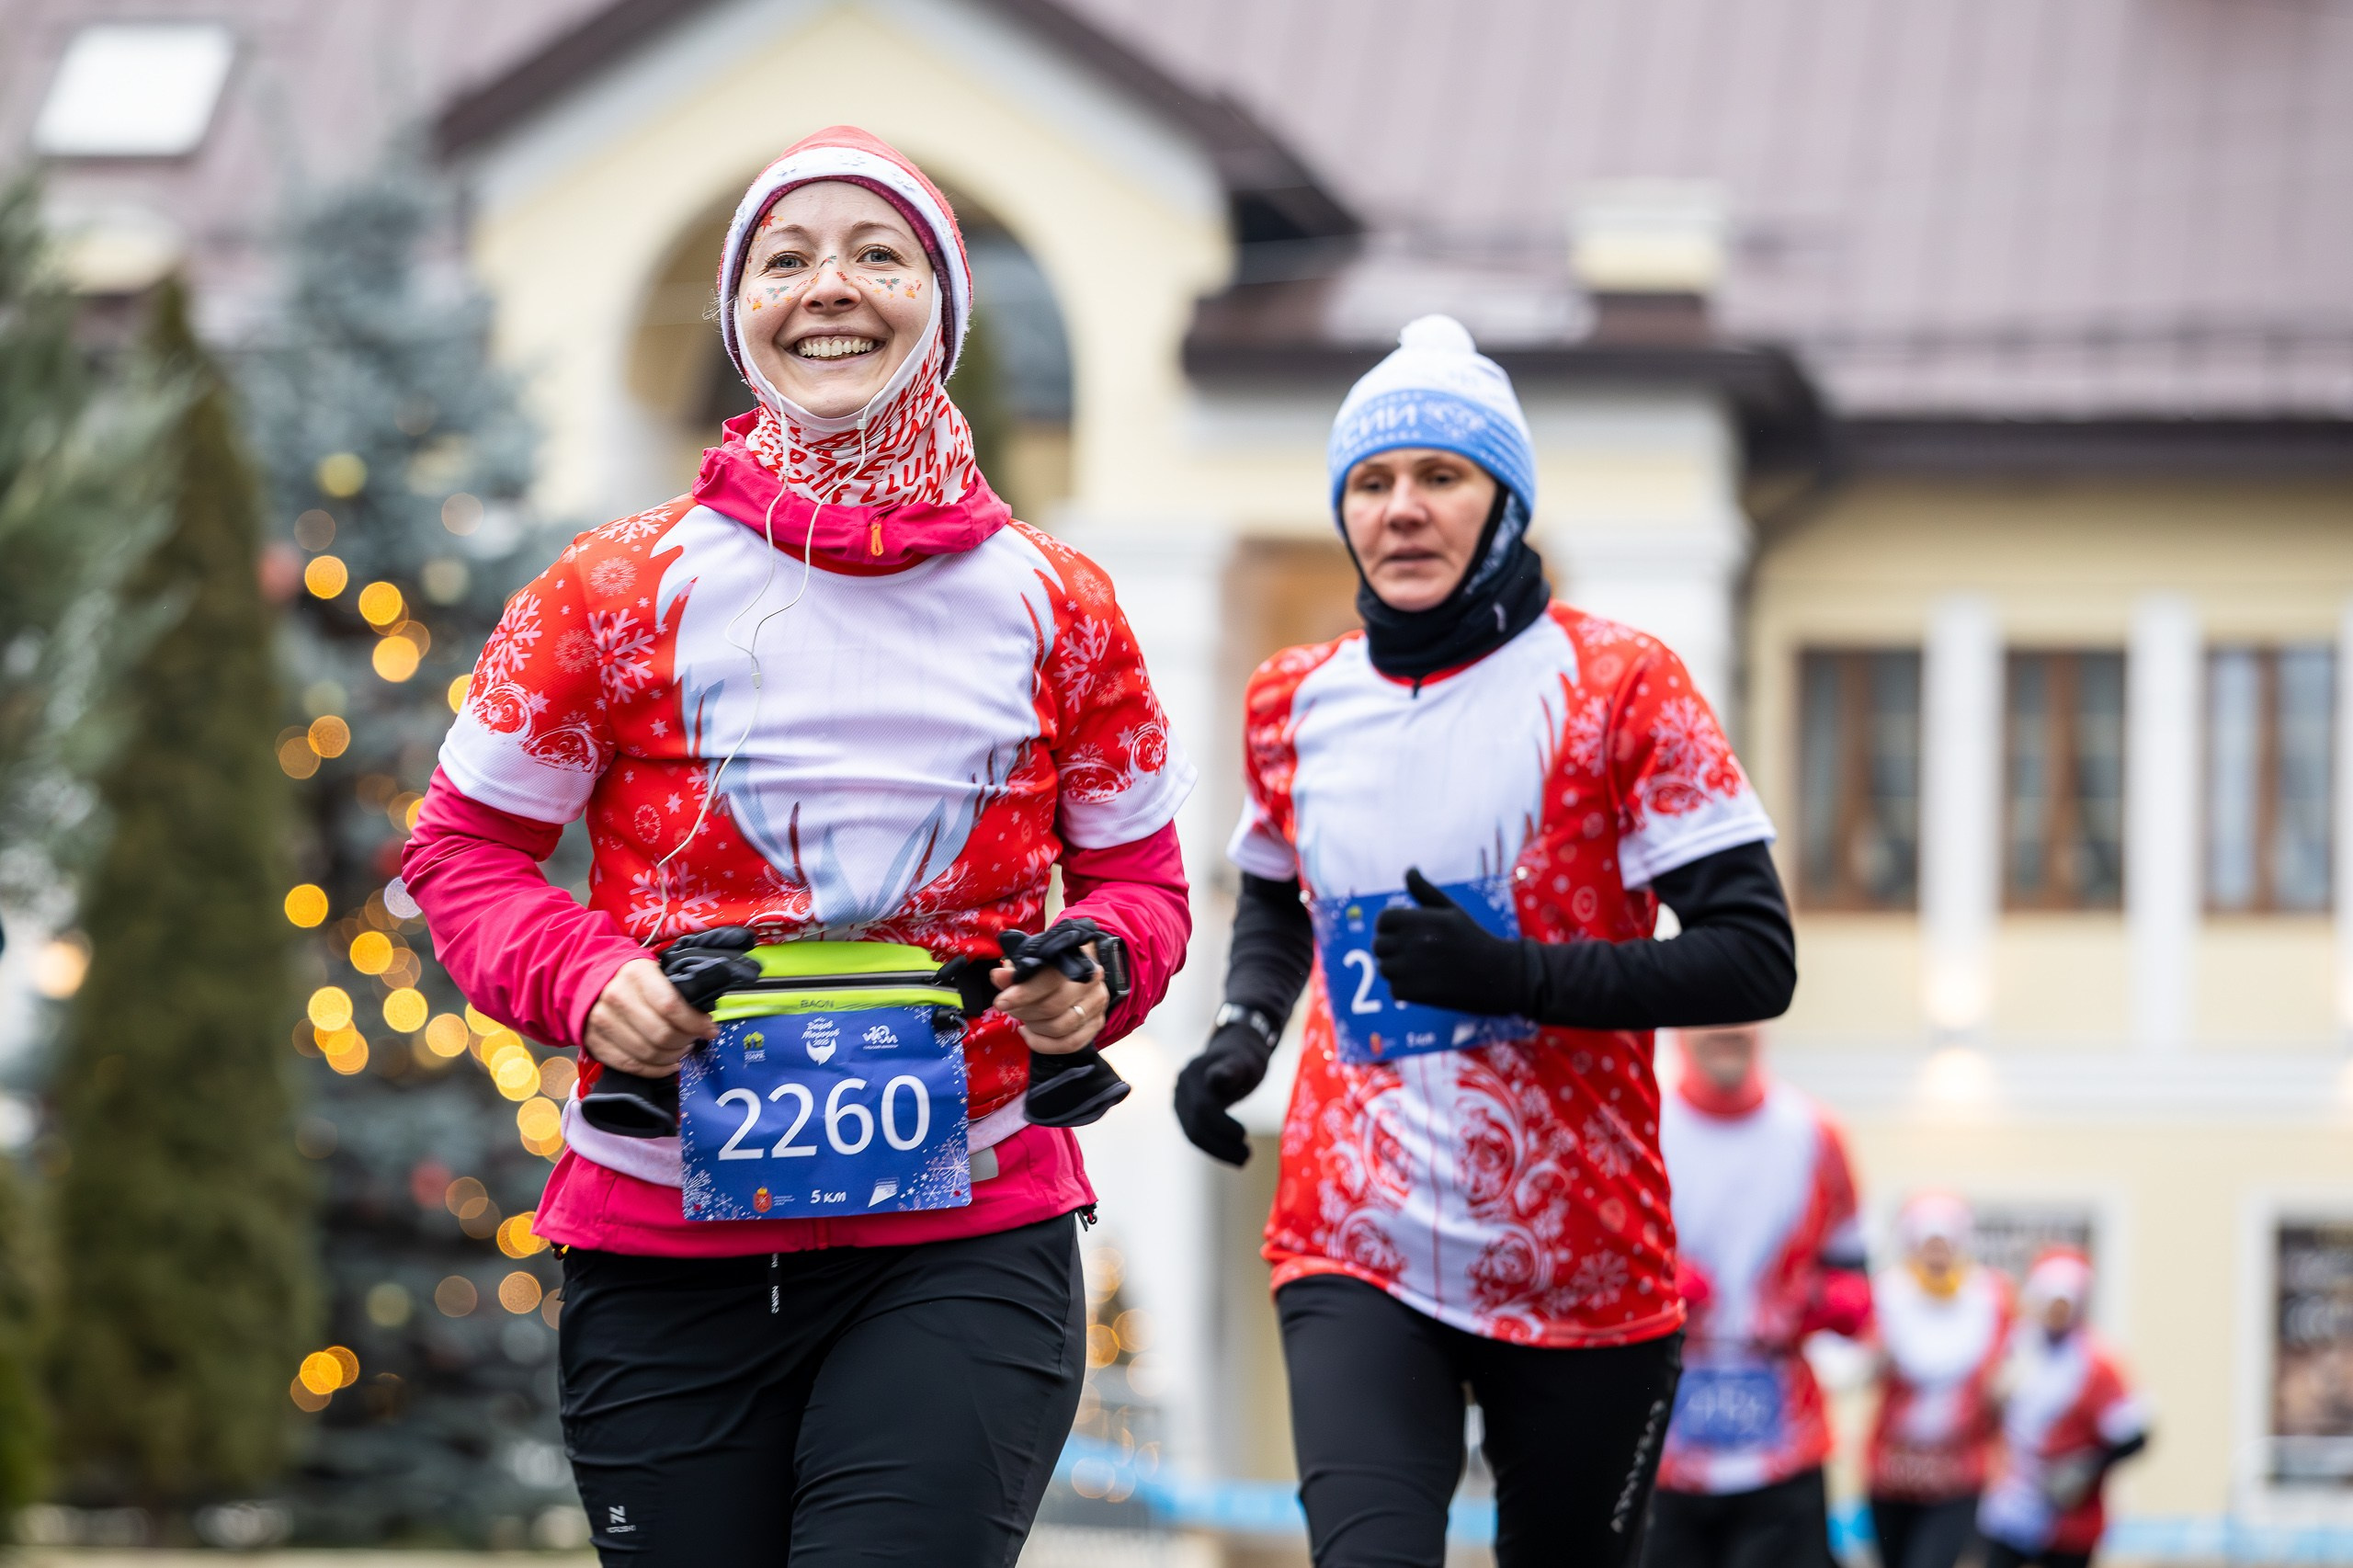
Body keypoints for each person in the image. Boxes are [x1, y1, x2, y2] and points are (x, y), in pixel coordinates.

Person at [398, 126, 1196, 1565]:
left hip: (968, 1224)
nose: (831, 286)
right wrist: (587, 981)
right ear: (739, 313)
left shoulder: (1061, 603)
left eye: (879, 255)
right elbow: (461, 851)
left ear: (942, 308)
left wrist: (1102, 970)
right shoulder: (611, 588)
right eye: (786, 260)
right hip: (663, 1241)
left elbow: (1141, 882)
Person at [1172, 314, 1797, 1568]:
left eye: (1441, 476)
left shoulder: (1624, 684)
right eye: (1371, 482)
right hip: (1355, 1232)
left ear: (1505, 502)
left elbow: (1753, 956)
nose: (1402, 508)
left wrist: (1518, 975)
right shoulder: (1293, 699)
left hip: (1583, 1259)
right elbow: (1280, 897)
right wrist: (1242, 1031)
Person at [1646, 1023, 1870, 1568]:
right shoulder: (1641, 1124)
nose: (1726, 1026)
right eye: (1708, 1013)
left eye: (1741, 1010)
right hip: (1660, 1441)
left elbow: (1854, 1277)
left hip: (1785, 1442)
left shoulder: (1816, 1133)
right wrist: (1658, 1284)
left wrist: (1815, 1301)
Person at [1977, 1250, 2151, 1568]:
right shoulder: (2014, 1348)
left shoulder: (2097, 1364)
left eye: (2064, 1305)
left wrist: (2087, 1467)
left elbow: (2135, 1435)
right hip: (2010, 1504)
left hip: (2070, 1516)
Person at [1868, 1192, 2011, 1568]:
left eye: (1944, 1245)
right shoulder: (1887, 1296)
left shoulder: (1990, 1299)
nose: (1936, 1256)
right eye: (1928, 1245)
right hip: (1892, 1474)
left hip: (1959, 1474)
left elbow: (2016, 1367)